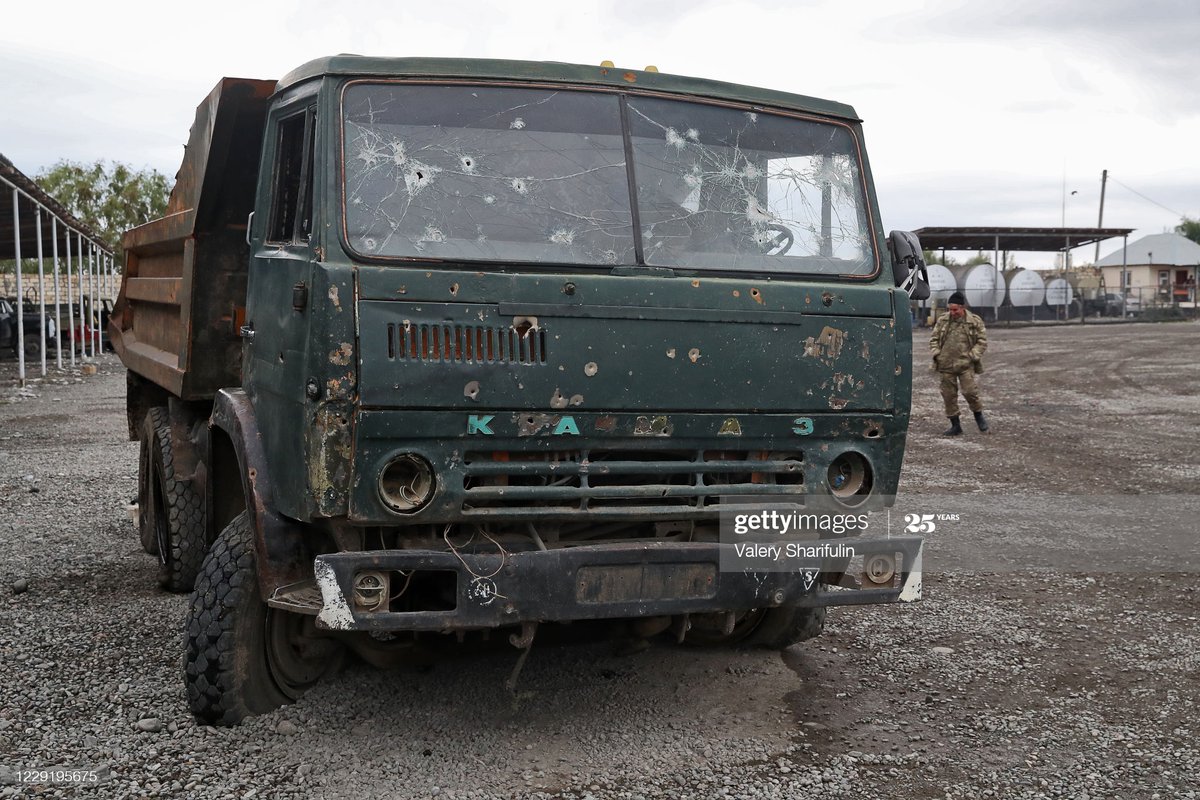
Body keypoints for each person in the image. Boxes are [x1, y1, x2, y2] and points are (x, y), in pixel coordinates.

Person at [930, 291, 989, 436]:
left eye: (955, 309)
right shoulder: (943, 320)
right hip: (946, 365)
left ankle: (979, 417)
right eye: (950, 309)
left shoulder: (974, 321)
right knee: (948, 396)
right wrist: (937, 353)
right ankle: (955, 425)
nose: (952, 312)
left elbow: (982, 341)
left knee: (970, 392)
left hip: (965, 364)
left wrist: (973, 355)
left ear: (963, 307)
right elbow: (934, 339)